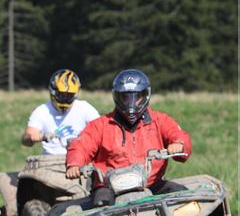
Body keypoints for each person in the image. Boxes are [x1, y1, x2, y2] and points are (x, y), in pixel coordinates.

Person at [65, 69, 192, 206]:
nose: (130, 103)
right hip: (108, 187)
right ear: (116, 97)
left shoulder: (160, 121)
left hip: (151, 183)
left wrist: (179, 144)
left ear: (146, 96)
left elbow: (178, 135)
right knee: (100, 206)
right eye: (125, 98)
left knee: (185, 200)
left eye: (136, 97)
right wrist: (75, 164)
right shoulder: (100, 125)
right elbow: (81, 145)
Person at [21, 69, 100, 155]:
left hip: (80, 159)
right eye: (61, 94)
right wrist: (32, 137)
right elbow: (27, 138)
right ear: (53, 91)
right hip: (49, 162)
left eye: (69, 95)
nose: (65, 99)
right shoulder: (41, 111)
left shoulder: (85, 108)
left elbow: (101, 131)